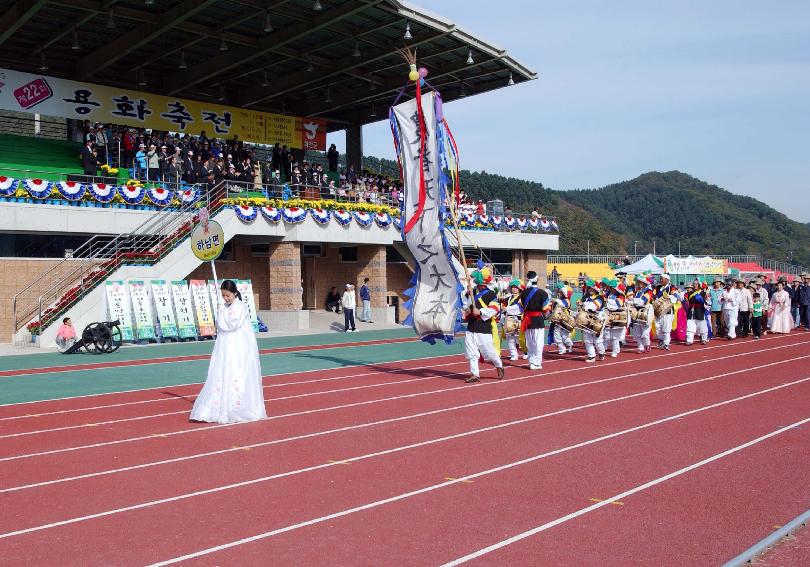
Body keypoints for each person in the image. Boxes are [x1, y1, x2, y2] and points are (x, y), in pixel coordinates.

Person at [190, 280, 267, 424]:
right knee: (223, 371)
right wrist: (221, 311)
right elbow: (220, 325)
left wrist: (221, 314)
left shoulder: (241, 306)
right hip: (226, 345)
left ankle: (239, 407)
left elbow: (231, 324)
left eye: (228, 296)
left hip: (239, 346)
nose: (226, 298)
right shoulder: (225, 307)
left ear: (235, 293)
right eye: (223, 296)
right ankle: (218, 405)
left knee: (237, 371)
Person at [462, 268, 505, 383]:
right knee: (471, 352)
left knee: (488, 352)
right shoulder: (472, 292)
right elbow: (465, 305)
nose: (480, 286)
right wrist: (467, 294)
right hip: (471, 325)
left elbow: (494, 309)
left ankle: (499, 365)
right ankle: (475, 374)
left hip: (483, 326)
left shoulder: (491, 295)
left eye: (483, 284)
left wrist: (480, 312)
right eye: (479, 284)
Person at [519, 271, 549, 370]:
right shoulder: (543, 293)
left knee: (530, 343)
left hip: (527, 320)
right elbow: (545, 310)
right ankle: (537, 363)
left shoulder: (523, 293)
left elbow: (522, 307)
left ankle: (532, 362)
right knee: (538, 343)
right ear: (537, 280)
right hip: (538, 321)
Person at [580, 279, 606, 363]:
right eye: (589, 288)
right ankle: (591, 355)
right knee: (587, 340)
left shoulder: (600, 297)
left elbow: (595, 306)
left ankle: (601, 352)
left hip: (597, 320)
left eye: (591, 288)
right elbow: (582, 306)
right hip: (587, 320)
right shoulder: (586, 298)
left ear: (595, 289)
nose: (590, 290)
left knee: (597, 340)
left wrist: (583, 304)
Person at [653, 273, 678, 350]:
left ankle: (666, 343)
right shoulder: (657, 287)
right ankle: (661, 340)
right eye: (660, 278)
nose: (660, 280)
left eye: (662, 279)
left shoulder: (671, 287)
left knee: (666, 328)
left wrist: (667, 297)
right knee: (658, 327)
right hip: (658, 310)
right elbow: (654, 295)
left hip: (667, 310)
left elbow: (675, 297)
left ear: (667, 280)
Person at [630, 274, 655, 353]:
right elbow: (630, 299)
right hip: (636, 312)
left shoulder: (649, 291)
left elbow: (642, 301)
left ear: (645, 283)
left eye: (641, 282)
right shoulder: (637, 291)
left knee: (645, 333)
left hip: (646, 312)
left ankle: (647, 344)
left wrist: (633, 301)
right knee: (636, 333)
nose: (640, 283)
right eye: (639, 282)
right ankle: (640, 347)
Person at [502, 279, 524, 361]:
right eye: (512, 287)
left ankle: (526, 352)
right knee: (510, 338)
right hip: (509, 319)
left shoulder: (521, 297)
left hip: (518, 319)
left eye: (515, 287)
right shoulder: (508, 298)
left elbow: (518, 307)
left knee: (520, 338)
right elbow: (503, 308)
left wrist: (506, 309)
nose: (514, 289)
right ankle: (513, 354)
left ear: (519, 289)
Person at [603, 279, 625, 358]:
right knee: (606, 334)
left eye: (612, 287)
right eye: (610, 287)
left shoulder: (621, 296)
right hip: (608, 316)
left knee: (615, 336)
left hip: (617, 316)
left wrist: (607, 301)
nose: (610, 289)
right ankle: (604, 348)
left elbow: (618, 304)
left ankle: (615, 351)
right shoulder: (607, 294)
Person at [551, 282, 575, 355]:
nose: (558, 293)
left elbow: (563, 304)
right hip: (557, 321)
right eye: (558, 292)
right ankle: (561, 348)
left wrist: (555, 300)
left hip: (565, 320)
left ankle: (570, 345)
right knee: (556, 335)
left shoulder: (566, 300)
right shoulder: (557, 300)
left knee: (565, 337)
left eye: (560, 292)